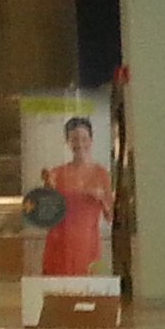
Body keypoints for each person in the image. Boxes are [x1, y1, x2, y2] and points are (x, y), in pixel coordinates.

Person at [37, 115, 114, 277]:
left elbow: (110, 216)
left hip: (88, 244)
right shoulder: (57, 173)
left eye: (84, 139)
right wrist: (48, 187)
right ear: (68, 142)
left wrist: (100, 197)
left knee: (87, 287)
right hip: (59, 244)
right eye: (74, 139)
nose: (79, 144)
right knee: (58, 290)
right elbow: (45, 214)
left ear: (91, 140)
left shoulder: (101, 174)